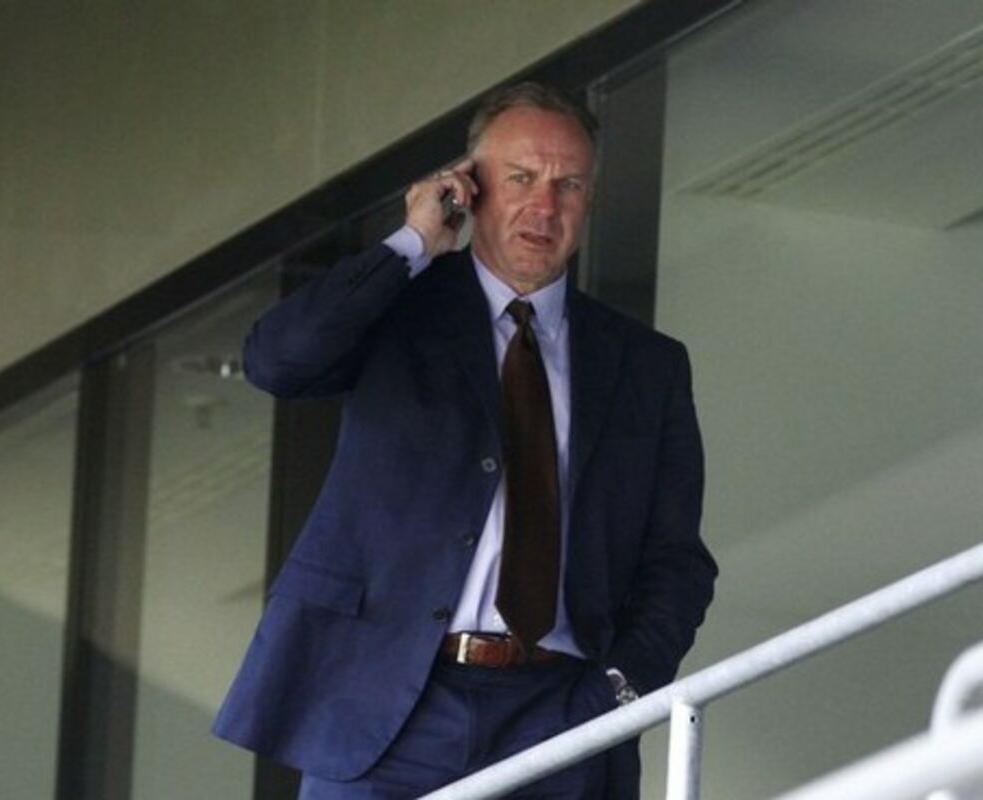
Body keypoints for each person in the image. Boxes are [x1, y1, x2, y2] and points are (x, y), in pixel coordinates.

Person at [213, 81, 717, 799]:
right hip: (387, 707)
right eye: (521, 178)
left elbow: (676, 562)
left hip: (562, 714)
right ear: (469, 187)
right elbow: (277, 362)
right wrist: (413, 243)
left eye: (569, 184)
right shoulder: (399, 306)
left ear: (590, 201)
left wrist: (618, 689)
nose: (545, 206)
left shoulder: (646, 365)